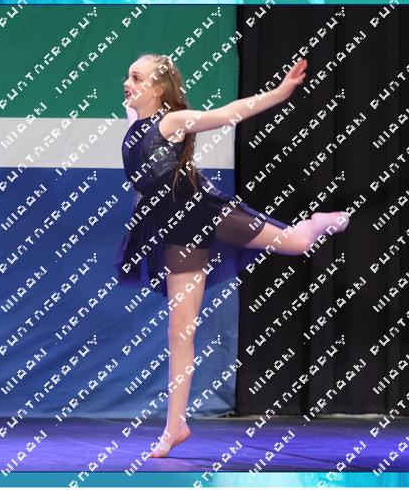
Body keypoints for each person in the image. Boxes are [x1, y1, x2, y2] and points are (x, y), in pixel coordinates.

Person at [114, 53, 349, 458]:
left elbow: (226, 114)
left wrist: (279, 93)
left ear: (159, 89)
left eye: (136, 77)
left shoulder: (170, 122)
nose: (127, 82)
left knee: (296, 244)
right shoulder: (134, 122)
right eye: (127, 75)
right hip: (178, 235)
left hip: (205, 212)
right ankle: (175, 426)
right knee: (179, 332)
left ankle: (317, 222)